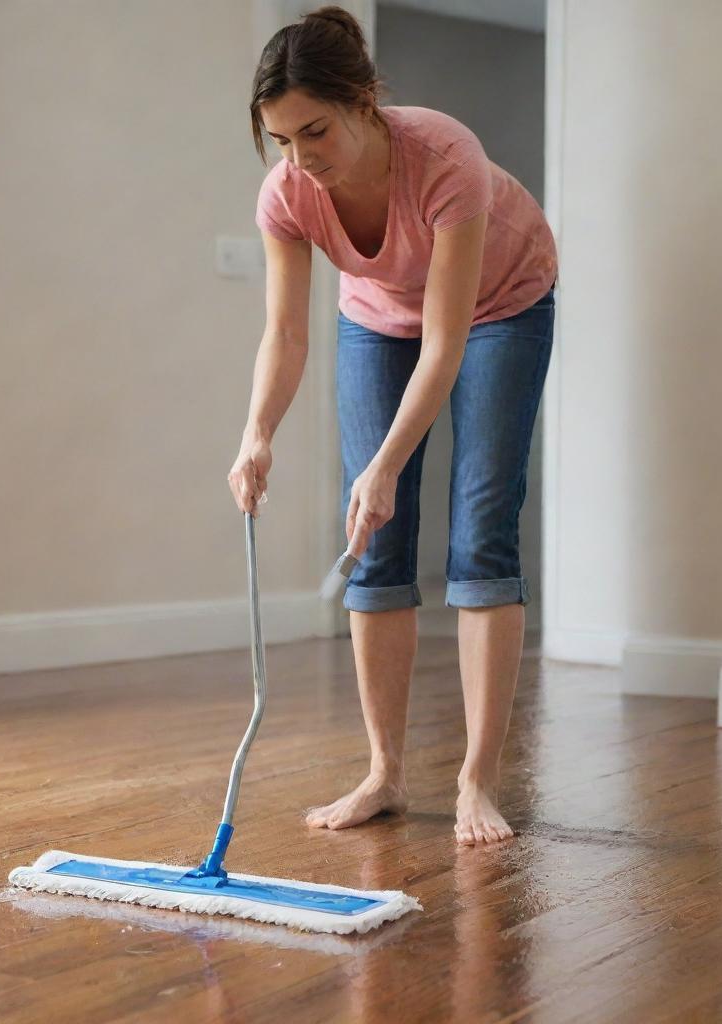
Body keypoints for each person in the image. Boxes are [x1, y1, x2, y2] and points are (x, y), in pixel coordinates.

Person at [227, 6, 557, 846]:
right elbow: (287, 332)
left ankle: (476, 779)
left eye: (316, 130)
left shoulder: (446, 157)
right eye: (282, 139)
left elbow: (446, 345)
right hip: (378, 315)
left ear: (364, 101)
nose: (302, 157)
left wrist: (383, 464)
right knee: (372, 533)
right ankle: (385, 772)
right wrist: (257, 430)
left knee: (481, 527)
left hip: (500, 307)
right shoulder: (289, 194)